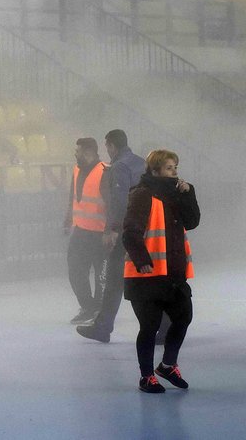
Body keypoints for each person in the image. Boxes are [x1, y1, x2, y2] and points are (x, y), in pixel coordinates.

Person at [122, 149, 200, 393]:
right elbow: (130, 231)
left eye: (175, 167)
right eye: (169, 168)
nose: (174, 172)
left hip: (173, 274)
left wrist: (189, 195)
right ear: (155, 170)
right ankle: (147, 377)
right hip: (146, 276)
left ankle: (167, 365)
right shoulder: (142, 194)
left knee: (183, 316)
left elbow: (193, 221)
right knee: (149, 326)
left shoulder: (178, 193)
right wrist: (141, 259)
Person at [77, 129, 147, 343]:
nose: (106, 150)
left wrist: (111, 230)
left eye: (107, 146)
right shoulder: (141, 162)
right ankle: (163, 326)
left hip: (127, 230)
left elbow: (118, 202)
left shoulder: (119, 167)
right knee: (147, 279)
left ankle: (103, 326)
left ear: (112, 146)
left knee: (115, 279)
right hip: (144, 228)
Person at [64, 137, 110, 325]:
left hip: (100, 233)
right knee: (75, 269)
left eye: (78, 151)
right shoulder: (76, 170)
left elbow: (111, 204)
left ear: (89, 152)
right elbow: (73, 196)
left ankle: (99, 309)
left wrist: (111, 230)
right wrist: (68, 219)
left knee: (101, 274)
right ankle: (88, 306)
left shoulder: (105, 172)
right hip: (81, 230)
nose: (75, 154)